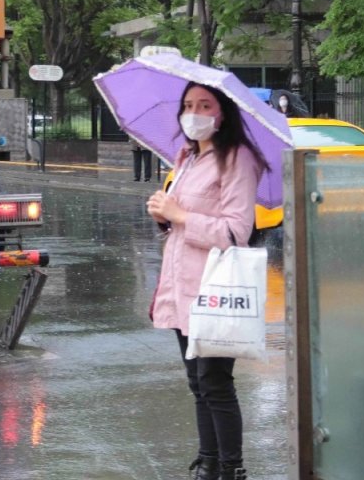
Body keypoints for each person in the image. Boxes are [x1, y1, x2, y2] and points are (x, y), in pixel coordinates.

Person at [145, 82, 266, 480]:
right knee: (198, 383)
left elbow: (235, 232)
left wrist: (180, 216)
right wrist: (165, 217)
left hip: (213, 290)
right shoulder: (188, 158)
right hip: (181, 288)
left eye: (204, 104)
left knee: (215, 383)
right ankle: (209, 461)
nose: (193, 112)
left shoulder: (237, 160)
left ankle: (232, 468)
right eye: (187, 105)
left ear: (223, 112)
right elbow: (181, 221)